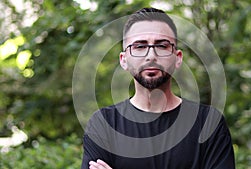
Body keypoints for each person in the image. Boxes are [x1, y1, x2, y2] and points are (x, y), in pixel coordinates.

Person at [81, 7, 235, 169]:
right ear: (124, 60)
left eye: (162, 46)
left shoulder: (208, 123)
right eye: (140, 47)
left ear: (177, 58)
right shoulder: (104, 124)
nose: (151, 55)